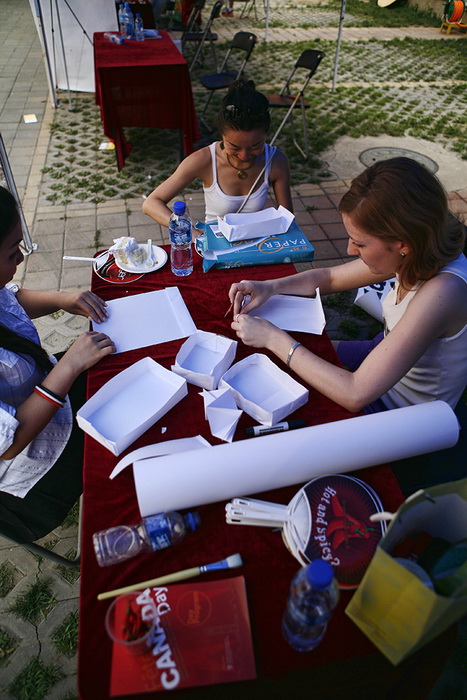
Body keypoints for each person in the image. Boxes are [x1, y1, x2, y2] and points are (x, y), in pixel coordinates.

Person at [228, 157, 467, 414]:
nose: (349, 250)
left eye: (360, 243)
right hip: (380, 356)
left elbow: (355, 393)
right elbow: (330, 277)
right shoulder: (416, 250)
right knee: (290, 356)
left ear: (403, 244)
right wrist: (269, 287)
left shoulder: (442, 293)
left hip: (404, 415)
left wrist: (273, 338)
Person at [0, 187, 115, 543]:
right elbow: (9, 443)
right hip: (27, 469)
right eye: (10, 252)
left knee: (115, 362)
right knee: (121, 420)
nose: (20, 257)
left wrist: (64, 300)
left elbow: (9, 300)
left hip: (49, 393)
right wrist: (68, 366)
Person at [142, 79, 293, 229]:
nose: (244, 155)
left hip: (255, 244)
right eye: (234, 147)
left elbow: (286, 219)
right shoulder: (204, 160)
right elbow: (151, 203)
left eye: (255, 146)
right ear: (222, 135)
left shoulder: (276, 161)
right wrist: (190, 232)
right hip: (215, 246)